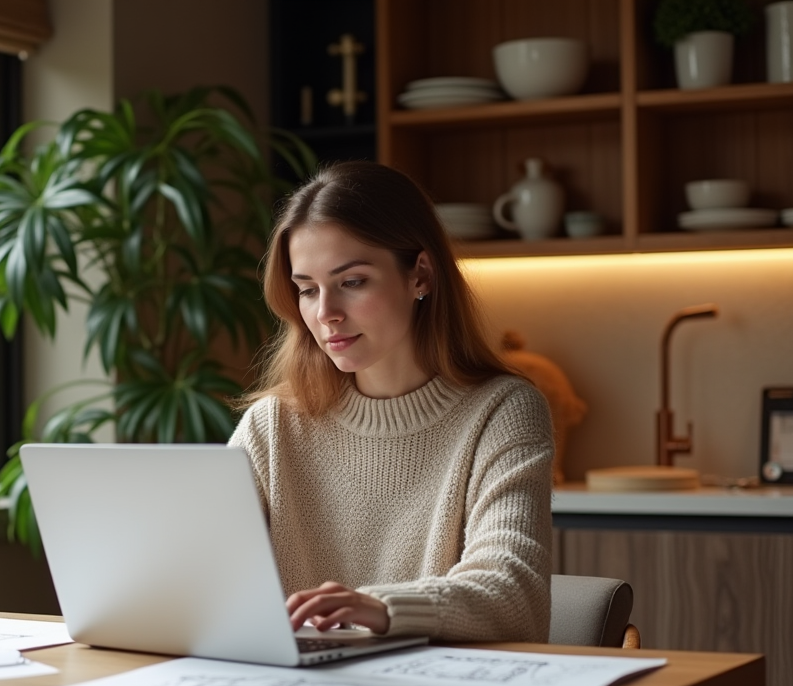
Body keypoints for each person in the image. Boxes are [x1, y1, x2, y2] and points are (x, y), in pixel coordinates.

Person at [229, 161, 554, 643]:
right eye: (307, 290)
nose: (326, 314)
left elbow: (514, 592)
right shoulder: (271, 425)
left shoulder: (503, 412)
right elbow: (200, 572)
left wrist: (382, 607)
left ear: (420, 275)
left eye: (352, 281)